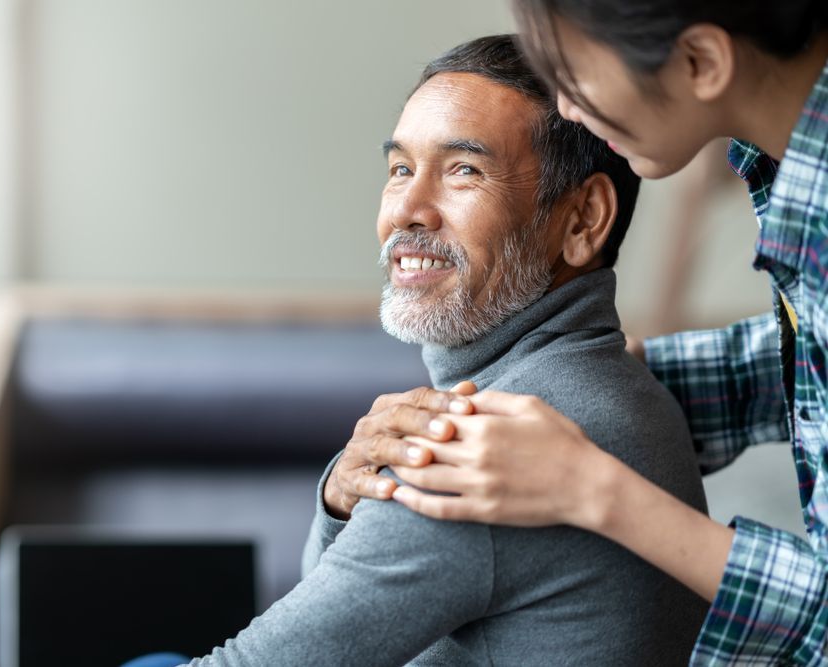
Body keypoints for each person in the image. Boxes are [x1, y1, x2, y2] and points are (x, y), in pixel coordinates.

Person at [126, 35, 708, 666]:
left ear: (582, 220)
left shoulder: (489, 452)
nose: (406, 210)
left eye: (464, 170)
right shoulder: (622, 389)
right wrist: (340, 502)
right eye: (400, 169)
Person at [328, 3, 828, 664]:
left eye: (577, 71)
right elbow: (809, 351)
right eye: (400, 168)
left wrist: (591, 485)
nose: (565, 107)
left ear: (701, 62)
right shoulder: (788, 172)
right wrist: (616, 390)